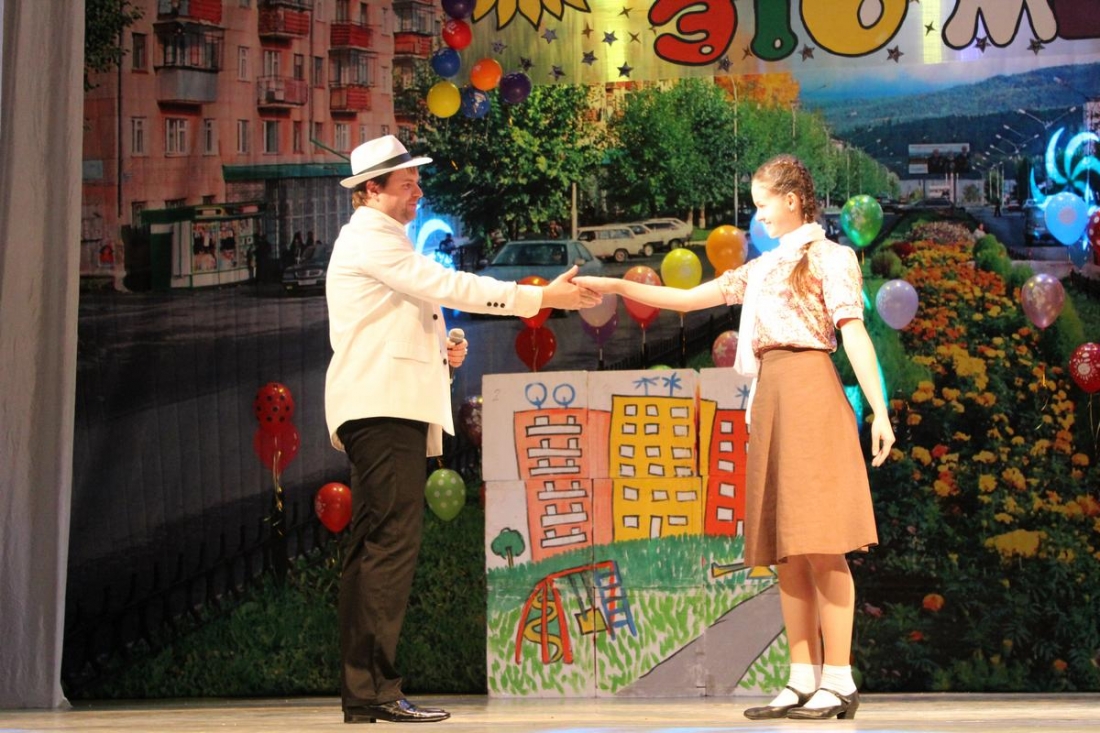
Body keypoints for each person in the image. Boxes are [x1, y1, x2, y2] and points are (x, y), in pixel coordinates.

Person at [576, 154, 894, 722]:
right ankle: (802, 677)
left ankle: (839, 678)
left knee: (822, 540)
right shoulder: (763, 268)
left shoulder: (832, 257)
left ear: (792, 200)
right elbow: (686, 299)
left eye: (764, 203)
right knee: (784, 544)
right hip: (769, 395)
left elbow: (853, 333)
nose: (760, 215)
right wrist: (614, 284)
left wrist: (879, 409)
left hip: (810, 390)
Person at [325, 135, 599, 725]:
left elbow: (396, 319)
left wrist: (439, 354)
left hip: (383, 404)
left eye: (417, 182)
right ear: (371, 190)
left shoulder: (380, 240)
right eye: (407, 184)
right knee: (388, 548)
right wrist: (536, 297)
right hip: (381, 408)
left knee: (377, 548)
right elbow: (450, 285)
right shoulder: (372, 237)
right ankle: (373, 690)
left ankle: (367, 692)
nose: (418, 193)